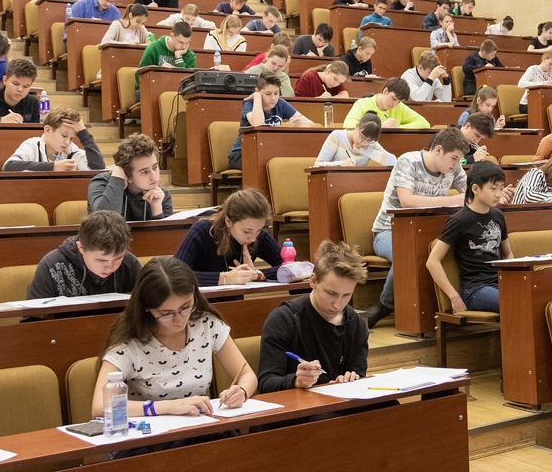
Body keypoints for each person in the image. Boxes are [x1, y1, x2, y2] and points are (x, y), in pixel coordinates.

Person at [92, 257, 258, 425]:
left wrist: (241, 391)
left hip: (200, 427)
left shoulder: (206, 325)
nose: (179, 320)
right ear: (146, 308)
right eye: (166, 313)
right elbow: (100, 407)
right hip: (152, 433)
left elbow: (247, 374)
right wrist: (168, 407)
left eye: (185, 307)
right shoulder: (129, 343)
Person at [363, 127, 469, 328]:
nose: (456, 165)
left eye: (460, 160)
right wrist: (451, 200)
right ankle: (384, 305)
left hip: (427, 231)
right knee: (408, 253)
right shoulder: (408, 161)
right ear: (439, 150)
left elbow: (471, 193)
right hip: (388, 230)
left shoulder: (454, 169)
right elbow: (407, 201)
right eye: (454, 158)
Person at [258, 240, 369, 392]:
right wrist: (296, 380)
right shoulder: (283, 320)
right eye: (331, 293)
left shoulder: (356, 324)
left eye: (346, 295)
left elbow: (359, 374)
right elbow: (265, 383)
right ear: (313, 281)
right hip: (298, 404)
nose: (337, 304)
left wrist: (351, 379)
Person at [426, 162, 513, 313]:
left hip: (500, 282)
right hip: (476, 289)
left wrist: (513, 281)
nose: (498, 194)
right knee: (514, 302)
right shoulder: (459, 220)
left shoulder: (498, 216)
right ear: (475, 189)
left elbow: (508, 254)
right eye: (493, 189)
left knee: (531, 298)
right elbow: (432, 261)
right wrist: (454, 297)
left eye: (501, 188)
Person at [175, 188, 284, 285]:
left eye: (259, 230)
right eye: (247, 232)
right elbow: (175, 274)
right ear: (228, 221)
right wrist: (225, 278)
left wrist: (257, 275)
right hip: (200, 300)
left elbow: (290, 267)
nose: (253, 238)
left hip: (235, 301)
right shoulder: (202, 231)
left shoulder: (257, 235)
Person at [27, 210, 141, 299]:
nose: (110, 267)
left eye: (118, 258)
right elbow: (33, 318)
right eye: (101, 260)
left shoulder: (130, 263)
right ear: (81, 248)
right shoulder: (51, 265)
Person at [228, 73, 315, 170]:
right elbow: (258, 124)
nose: (273, 98)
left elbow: (310, 124)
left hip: (268, 153)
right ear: (257, 91)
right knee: (265, 166)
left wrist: (292, 125)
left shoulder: (280, 103)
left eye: (276, 93)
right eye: (268, 94)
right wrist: (257, 97)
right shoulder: (249, 103)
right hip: (242, 154)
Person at [88, 133, 172, 221]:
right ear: (128, 175)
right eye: (145, 172)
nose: (154, 177)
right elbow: (105, 221)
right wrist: (117, 179)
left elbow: (166, 230)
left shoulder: (160, 194)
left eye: (155, 167)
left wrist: (156, 208)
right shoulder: (101, 183)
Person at [3, 106, 104, 171]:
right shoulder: (32, 145)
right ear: (47, 130)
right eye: (64, 135)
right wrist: (53, 167)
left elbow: (98, 168)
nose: (67, 142)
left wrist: (83, 132)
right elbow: (9, 166)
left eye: (71, 138)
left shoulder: (71, 150)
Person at [342, 77, 430, 129]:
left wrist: (398, 128)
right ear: (385, 91)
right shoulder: (362, 103)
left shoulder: (399, 106)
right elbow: (348, 124)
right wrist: (379, 126)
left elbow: (424, 123)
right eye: (393, 99)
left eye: (399, 102)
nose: (394, 104)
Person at [315, 112, 396, 167]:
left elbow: (393, 162)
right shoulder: (337, 136)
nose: (363, 143)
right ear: (357, 126)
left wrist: (367, 151)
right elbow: (318, 165)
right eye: (361, 137)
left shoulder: (371, 144)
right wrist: (341, 163)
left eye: (368, 141)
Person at [135, 21, 196, 92]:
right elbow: (140, 77)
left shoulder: (190, 56)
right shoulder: (153, 48)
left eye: (187, 42)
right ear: (172, 36)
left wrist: (178, 57)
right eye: (181, 42)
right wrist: (159, 72)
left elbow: (186, 84)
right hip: (150, 91)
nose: (184, 46)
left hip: (177, 93)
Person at [517, 49, 552, 113]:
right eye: (550, 64)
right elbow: (520, 84)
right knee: (544, 109)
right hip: (527, 104)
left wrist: (551, 85)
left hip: (544, 103)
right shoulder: (533, 69)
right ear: (544, 59)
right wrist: (541, 84)